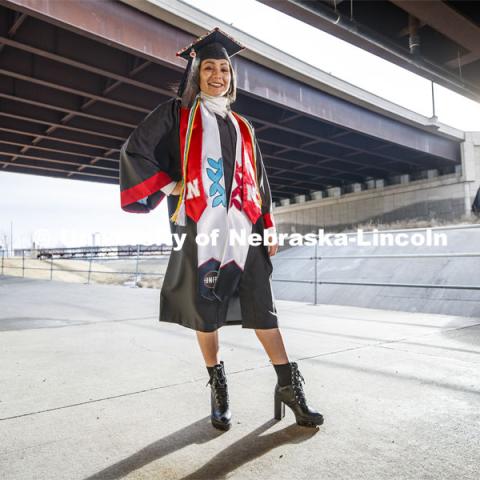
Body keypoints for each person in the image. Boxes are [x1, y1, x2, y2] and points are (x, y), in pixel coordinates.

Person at [119, 27, 323, 430]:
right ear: (195, 73)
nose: (218, 75)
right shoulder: (176, 115)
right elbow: (136, 153)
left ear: (232, 77)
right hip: (200, 228)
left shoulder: (242, 126)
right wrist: (174, 183)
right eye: (209, 67)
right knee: (205, 310)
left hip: (244, 230)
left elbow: (258, 181)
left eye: (224, 69)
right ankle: (218, 383)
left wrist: (267, 226)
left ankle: (287, 384)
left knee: (263, 307)